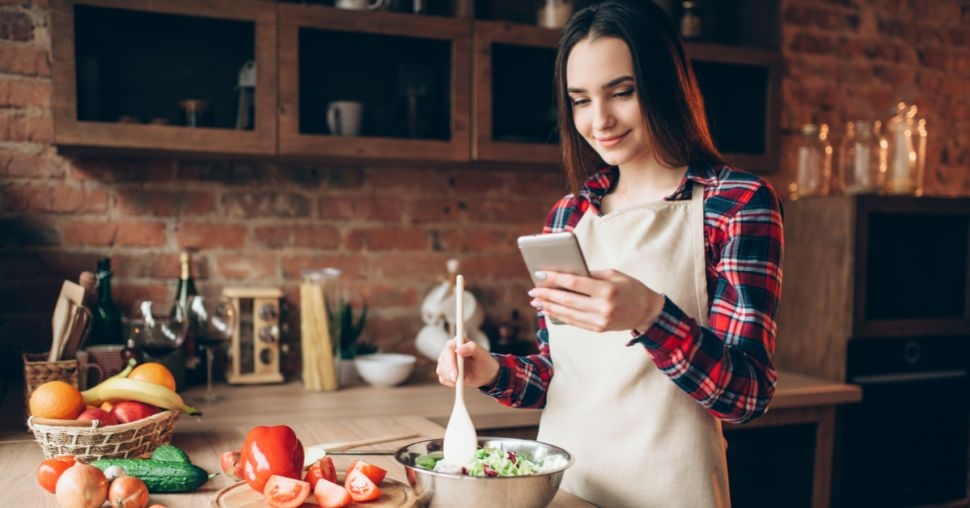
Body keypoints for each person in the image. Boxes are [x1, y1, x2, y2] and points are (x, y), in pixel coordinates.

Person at [436, 1, 783, 506]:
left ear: (665, 85)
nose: (599, 120)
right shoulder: (567, 216)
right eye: (579, 100)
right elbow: (562, 376)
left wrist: (649, 314)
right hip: (567, 491)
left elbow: (745, 396)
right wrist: (489, 371)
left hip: (672, 492)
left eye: (622, 92)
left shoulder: (737, 203)